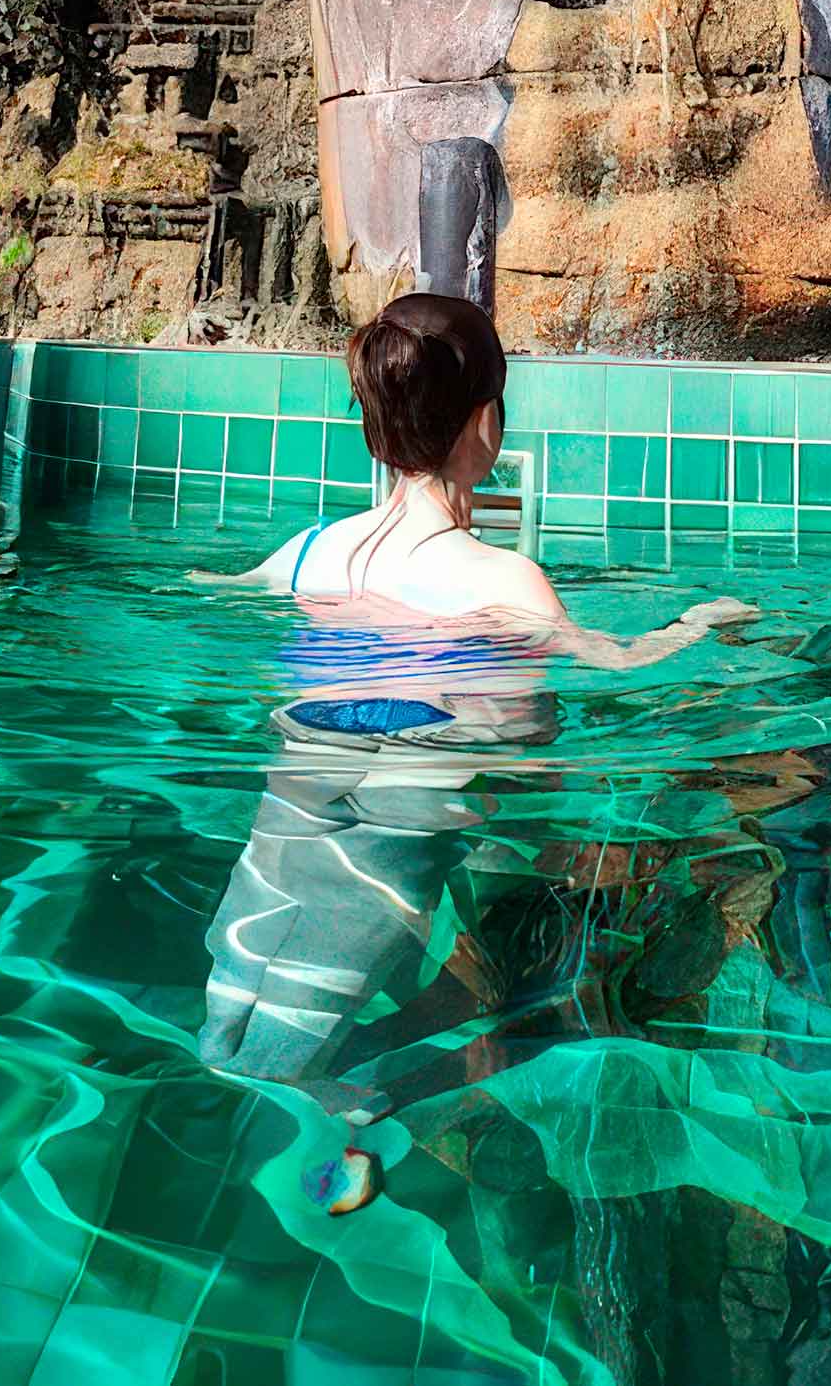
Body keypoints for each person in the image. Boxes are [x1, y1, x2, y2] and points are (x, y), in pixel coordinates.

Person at [195, 291, 753, 1214]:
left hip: (303, 765)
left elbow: (205, 588)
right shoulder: (506, 580)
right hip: (407, 801)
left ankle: (309, 1107)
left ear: (376, 425)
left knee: (233, 1016)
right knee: (293, 1041)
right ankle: (332, 1119)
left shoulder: (308, 555)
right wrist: (703, 620)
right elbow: (621, 664)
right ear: (486, 421)